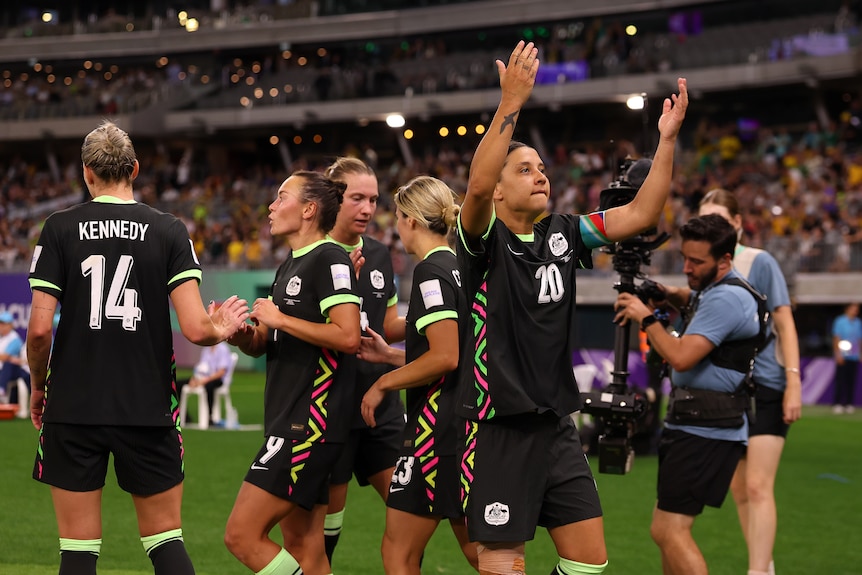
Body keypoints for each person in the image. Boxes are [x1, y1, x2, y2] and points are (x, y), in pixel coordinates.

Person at [456, 40, 688, 575]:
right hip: (501, 427)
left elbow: (643, 213)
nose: (540, 175)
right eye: (525, 170)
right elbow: (476, 183)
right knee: (503, 563)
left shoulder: (566, 233)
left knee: (588, 561)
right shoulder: (479, 239)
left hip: (557, 424)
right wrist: (510, 103)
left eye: (541, 167)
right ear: (499, 192)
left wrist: (667, 141)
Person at [26, 120, 250, 575]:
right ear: (135, 168)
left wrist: (37, 387)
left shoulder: (59, 228)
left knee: (77, 552)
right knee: (166, 543)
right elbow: (195, 328)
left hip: (73, 405)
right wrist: (222, 326)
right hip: (147, 406)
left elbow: (38, 332)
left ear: (87, 173)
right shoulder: (168, 230)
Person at [223, 170, 361, 575]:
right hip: (291, 419)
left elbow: (348, 336)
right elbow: (269, 340)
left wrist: (280, 319)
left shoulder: (329, 258)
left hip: (308, 426)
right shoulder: (291, 263)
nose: (271, 205)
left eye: (281, 197)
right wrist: (244, 335)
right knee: (304, 546)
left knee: (241, 536)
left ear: (308, 209)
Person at [615, 214, 767, 575]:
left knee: (668, 530)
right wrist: (667, 294)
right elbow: (693, 296)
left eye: (697, 262)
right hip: (700, 423)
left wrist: (646, 317)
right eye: (685, 258)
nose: (687, 268)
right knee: (667, 529)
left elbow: (681, 358)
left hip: (705, 429)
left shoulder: (726, 299)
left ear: (725, 261)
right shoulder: (720, 289)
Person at [357, 175, 477, 574]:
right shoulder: (460, 267)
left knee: (398, 552)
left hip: (435, 433)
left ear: (409, 219)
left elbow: (446, 357)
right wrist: (391, 356)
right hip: (464, 428)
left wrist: (382, 383)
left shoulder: (431, 272)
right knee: (484, 553)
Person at [293, 157, 405, 565]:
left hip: (380, 404)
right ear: (333, 198)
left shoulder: (378, 253)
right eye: (357, 198)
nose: (368, 209)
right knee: (327, 524)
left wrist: (439, 313)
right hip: (330, 407)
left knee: (411, 507)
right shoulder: (311, 254)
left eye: (373, 199)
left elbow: (388, 323)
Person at [698, 188, 802, 575]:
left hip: (767, 386)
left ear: (738, 223)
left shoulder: (760, 262)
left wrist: (794, 382)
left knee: (758, 486)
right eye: (705, 219)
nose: (713, 227)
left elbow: (786, 322)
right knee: (739, 489)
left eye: (720, 220)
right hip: (727, 390)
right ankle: (765, 565)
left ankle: (758, 571)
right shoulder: (705, 265)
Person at [177, 340, 234, 422]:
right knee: (179, 384)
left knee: (209, 386)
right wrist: (194, 379)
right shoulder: (206, 349)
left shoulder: (223, 349)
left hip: (218, 379)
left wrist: (206, 380)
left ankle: (210, 417)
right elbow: (201, 368)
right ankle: (184, 415)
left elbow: (221, 372)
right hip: (203, 378)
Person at [831, 302, 862, 414]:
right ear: (847, 309)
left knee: (851, 381)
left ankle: (849, 404)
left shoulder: (858, 322)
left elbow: (859, 339)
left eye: (857, 309)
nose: (855, 311)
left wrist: (859, 353)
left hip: (853, 356)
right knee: (841, 381)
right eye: (853, 309)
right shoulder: (840, 321)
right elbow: (836, 337)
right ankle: (837, 403)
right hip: (843, 354)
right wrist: (838, 354)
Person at [0, 311, 29, 404]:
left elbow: (5, 357)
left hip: (13, 371)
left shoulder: (14, 339)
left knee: (7, 364)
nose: (2, 326)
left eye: (4, 324)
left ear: (11, 325)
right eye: (1, 324)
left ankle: (2, 390)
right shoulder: (2, 338)